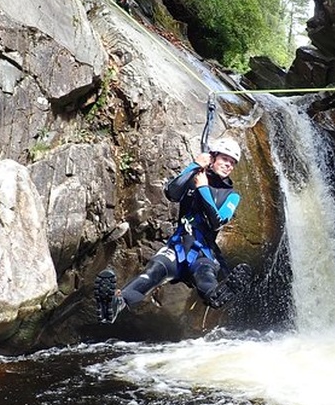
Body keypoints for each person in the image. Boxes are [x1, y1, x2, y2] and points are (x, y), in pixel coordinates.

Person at [95, 138, 253, 324]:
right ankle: (115, 304)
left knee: (205, 278)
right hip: (177, 249)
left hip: (203, 253)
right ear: (213, 157)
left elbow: (216, 222)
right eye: (225, 159)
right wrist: (194, 165)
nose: (228, 165)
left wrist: (203, 189)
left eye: (232, 163)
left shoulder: (232, 195)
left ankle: (216, 295)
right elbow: (172, 192)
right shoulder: (195, 176)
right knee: (151, 273)